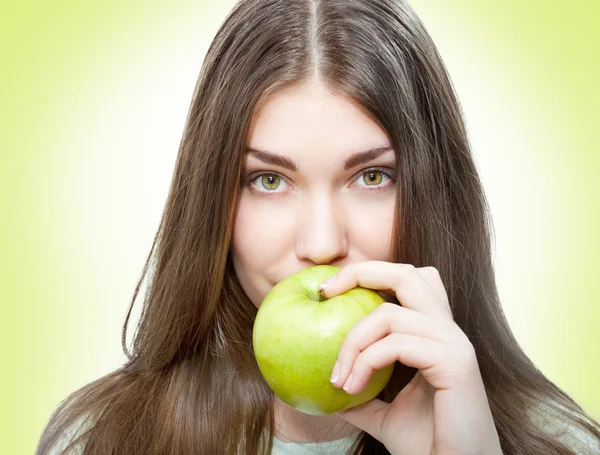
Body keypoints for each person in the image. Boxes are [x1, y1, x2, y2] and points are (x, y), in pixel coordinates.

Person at [36, 0, 600, 454]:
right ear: (213, 202)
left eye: (373, 176)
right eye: (269, 181)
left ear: (433, 192)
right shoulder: (100, 440)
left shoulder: (558, 444)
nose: (323, 245)